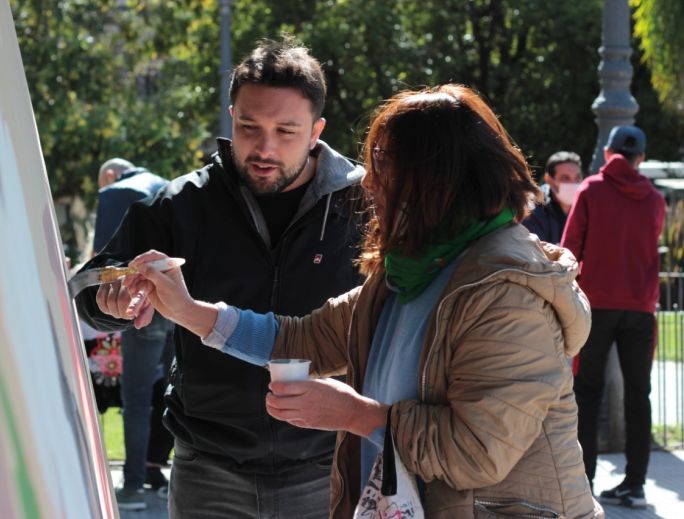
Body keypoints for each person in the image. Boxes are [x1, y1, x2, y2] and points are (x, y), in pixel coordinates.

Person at [123, 84, 603, 518]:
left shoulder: (507, 293)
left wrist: (354, 414)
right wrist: (186, 310)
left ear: (435, 176)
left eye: (384, 161)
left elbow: (475, 451)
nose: (369, 181)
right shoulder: (404, 275)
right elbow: (297, 338)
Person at [75, 39, 365, 518]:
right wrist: (110, 301)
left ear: (317, 131)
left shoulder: (364, 207)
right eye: (249, 127)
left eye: (286, 131)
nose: (264, 148)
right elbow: (88, 283)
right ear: (231, 116)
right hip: (209, 469)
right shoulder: (183, 203)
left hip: (328, 467)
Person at [561, 125, 666, 508]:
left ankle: (583, 481)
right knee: (640, 395)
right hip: (640, 309)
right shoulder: (655, 199)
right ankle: (635, 485)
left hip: (598, 305)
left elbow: (569, 249)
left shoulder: (591, 190)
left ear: (607, 153)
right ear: (640, 158)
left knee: (586, 394)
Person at [92, 158, 175, 510]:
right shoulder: (168, 185)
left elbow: (102, 260)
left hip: (139, 303)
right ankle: (159, 473)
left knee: (136, 399)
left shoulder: (116, 191)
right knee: (171, 392)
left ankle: (133, 486)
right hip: (177, 301)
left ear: (110, 175)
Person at [523, 151, 583, 244]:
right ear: (549, 179)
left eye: (577, 178)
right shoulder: (532, 210)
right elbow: (539, 253)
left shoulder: (587, 208)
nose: (573, 183)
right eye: (565, 178)